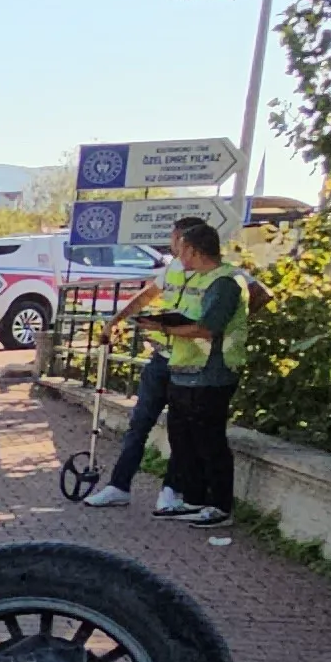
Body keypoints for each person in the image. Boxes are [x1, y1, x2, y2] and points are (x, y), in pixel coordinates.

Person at [128, 218, 249, 526]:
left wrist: (164, 325)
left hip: (212, 373)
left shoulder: (225, 282)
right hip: (183, 369)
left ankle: (220, 506)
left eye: (182, 250)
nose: (178, 257)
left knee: (210, 441)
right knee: (184, 439)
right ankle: (193, 500)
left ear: (194, 251)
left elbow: (207, 328)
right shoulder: (200, 278)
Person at [79, 325, 181, 512]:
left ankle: (171, 491)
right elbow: (145, 298)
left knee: (179, 431)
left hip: (189, 363)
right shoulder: (168, 293)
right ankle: (118, 486)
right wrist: (115, 322)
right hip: (160, 360)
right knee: (138, 425)